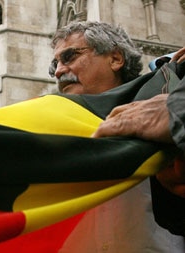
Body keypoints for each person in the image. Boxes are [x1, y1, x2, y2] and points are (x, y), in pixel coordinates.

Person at [49, 21, 185, 252]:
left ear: (115, 59)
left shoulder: (165, 103)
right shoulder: (47, 131)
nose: (59, 71)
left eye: (70, 57)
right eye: (54, 66)